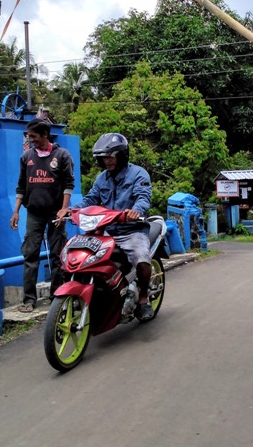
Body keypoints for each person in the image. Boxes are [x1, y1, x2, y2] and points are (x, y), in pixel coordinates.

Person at [75, 133, 155, 322]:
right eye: (103, 158)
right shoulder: (101, 178)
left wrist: (135, 211)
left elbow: (143, 197)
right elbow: (90, 199)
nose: (107, 161)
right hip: (107, 232)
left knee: (142, 259)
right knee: (84, 259)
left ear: (122, 155)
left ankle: (143, 298)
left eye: (111, 156)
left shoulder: (138, 174)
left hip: (132, 231)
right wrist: (71, 210)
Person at [10, 118, 75, 313]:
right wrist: (16, 211)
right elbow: (21, 185)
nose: (31, 140)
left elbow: (68, 185)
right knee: (30, 254)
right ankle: (29, 299)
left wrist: (63, 210)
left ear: (45, 135)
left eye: (34, 137)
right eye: (28, 137)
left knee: (57, 254)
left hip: (56, 213)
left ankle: (57, 295)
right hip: (34, 213)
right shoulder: (26, 157)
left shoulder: (62, 156)